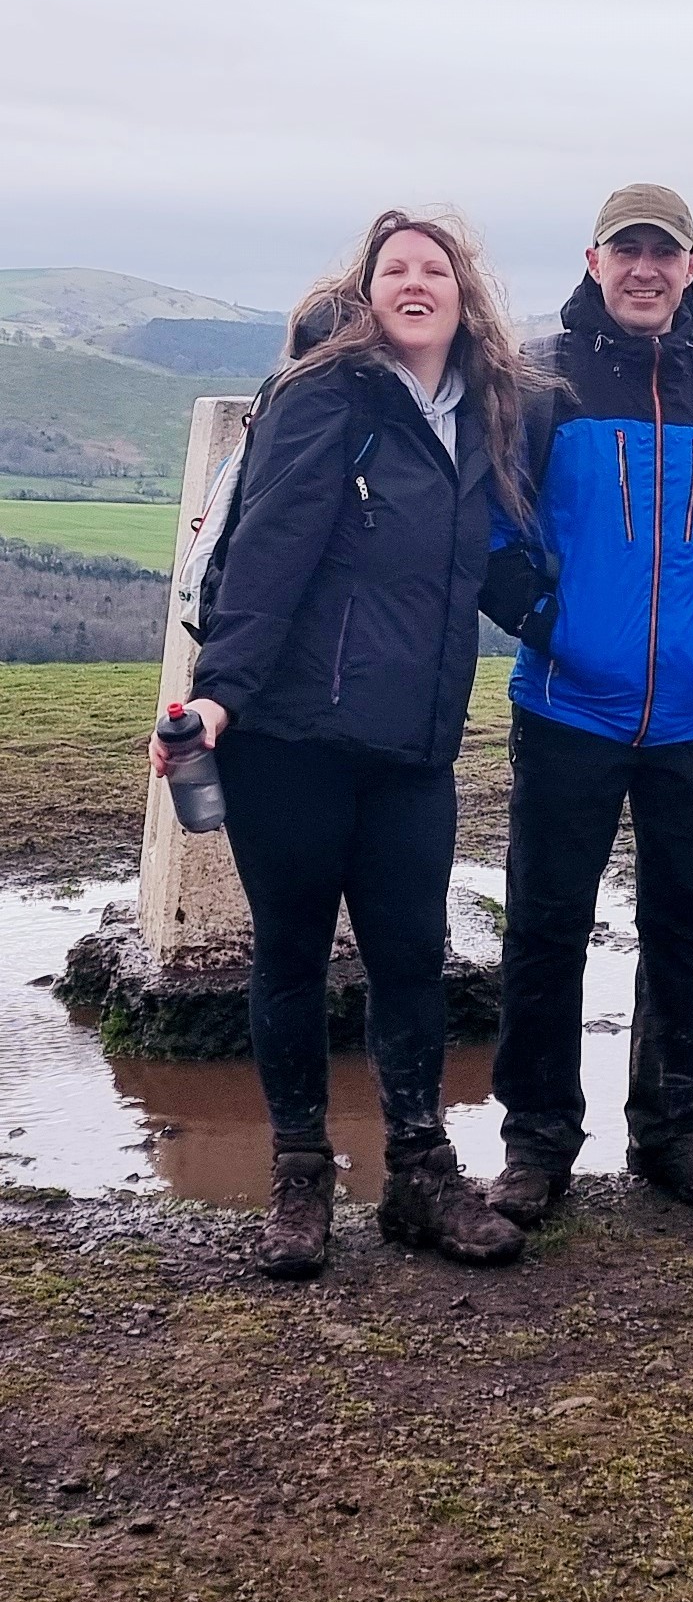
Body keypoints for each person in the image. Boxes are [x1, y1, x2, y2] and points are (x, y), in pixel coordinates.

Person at [152, 208, 532, 1279]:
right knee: (291, 956)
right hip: (292, 737)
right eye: (393, 270)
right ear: (367, 294)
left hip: (413, 746)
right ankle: (300, 1179)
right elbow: (268, 550)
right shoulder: (330, 394)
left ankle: (419, 1175)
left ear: (466, 295)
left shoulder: (482, 413)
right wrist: (219, 694)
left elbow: (491, 569)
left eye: (435, 269)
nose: (414, 283)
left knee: (414, 956)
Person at [480, 185, 693, 1218]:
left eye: (665, 253)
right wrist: (555, 629)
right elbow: (493, 529)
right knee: (545, 928)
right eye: (629, 251)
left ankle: (669, 1127)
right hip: (570, 706)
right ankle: (536, 1143)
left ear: (690, 269)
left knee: (685, 924)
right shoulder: (540, 380)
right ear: (595, 260)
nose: (646, 269)